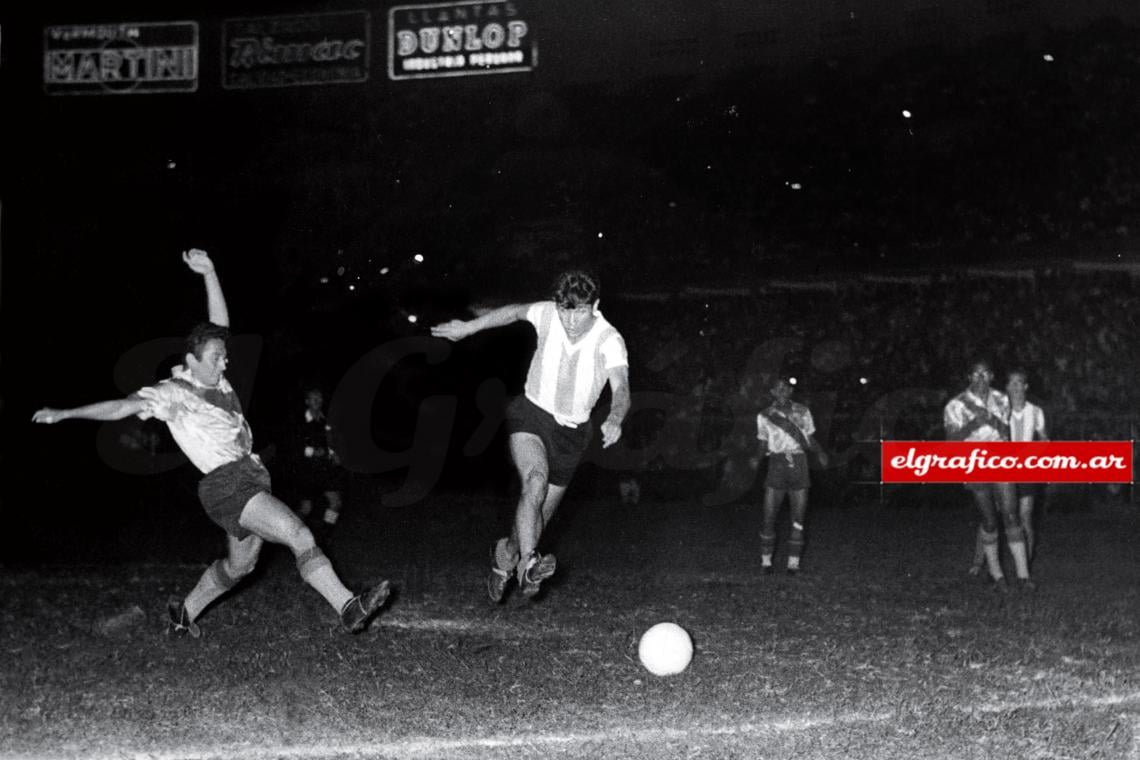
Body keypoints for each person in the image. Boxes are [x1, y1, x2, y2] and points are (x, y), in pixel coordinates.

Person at [33, 250, 391, 636]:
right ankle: (347, 606)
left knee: (240, 567)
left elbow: (220, 326)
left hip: (244, 478)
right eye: (217, 357)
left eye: (223, 356)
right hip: (228, 484)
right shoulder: (173, 392)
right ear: (192, 359)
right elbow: (122, 407)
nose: (225, 362)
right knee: (298, 534)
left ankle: (182, 614)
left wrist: (211, 273)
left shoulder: (214, 379)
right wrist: (67, 413)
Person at [430, 270, 630, 602]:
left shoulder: (609, 340)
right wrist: (467, 328)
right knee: (534, 483)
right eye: (565, 310)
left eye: (579, 311)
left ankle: (507, 555)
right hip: (531, 416)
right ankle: (529, 564)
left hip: (573, 435)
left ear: (595, 306)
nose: (570, 319)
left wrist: (615, 417)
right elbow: (512, 311)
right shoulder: (547, 313)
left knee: (535, 519)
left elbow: (621, 387)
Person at [944, 359, 1033, 591]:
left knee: (1011, 515)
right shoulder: (955, 405)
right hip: (974, 463)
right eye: (975, 374)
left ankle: (1023, 577)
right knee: (989, 520)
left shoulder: (1002, 399)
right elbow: (951, 442)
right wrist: (973, 425)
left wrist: (992, 420)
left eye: (985, 374)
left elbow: (1006, 433)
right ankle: (996, 574)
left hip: (1000, 460)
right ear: (969, 377)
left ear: (992, 377)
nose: (980, 378)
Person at [968, 369, 1048, 573]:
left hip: (1027, 471)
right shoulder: (997, 409)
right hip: (1002, 469)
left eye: (1019, 383)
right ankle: (978, 563)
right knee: (990, 516)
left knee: (1025, 517)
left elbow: (1044, 438)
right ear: (1005, 387)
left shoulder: (1036, 411)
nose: (1015, 387)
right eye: (1011, 383)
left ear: (1026, 386)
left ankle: (1025, 568)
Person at [755, 377, 829, 575]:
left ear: (790, 391)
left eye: (785, 388)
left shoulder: (803, 411)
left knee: (798, 517)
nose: (781, 391)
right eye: (777, 388)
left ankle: (793, 564)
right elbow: (762, 443)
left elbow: (809, 438)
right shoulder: (764, 415)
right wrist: (754, 459)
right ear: (772, 392)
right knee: (769, 516)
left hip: (799, 464)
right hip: (776, 464)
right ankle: (766, 562)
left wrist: (820, 452)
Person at [287, 387, 346, 535]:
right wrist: (313, 452)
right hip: (307, 470)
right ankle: (291, 532)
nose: (317, 401)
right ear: (307, 401)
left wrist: (333, 454)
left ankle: (326, 532)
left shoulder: (324, 420)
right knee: (306, 508)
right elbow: (293, 447)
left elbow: (328, 442)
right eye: (314, 398)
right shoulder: (300, 421)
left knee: (336, 502)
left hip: (324, 468)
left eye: (319, 398)